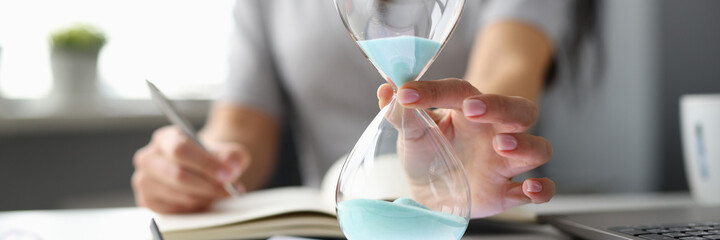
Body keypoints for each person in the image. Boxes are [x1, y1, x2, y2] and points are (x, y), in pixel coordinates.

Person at [132, 0, 573, 218]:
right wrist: (198, 164)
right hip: (326, 223)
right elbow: (241, 124)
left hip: (484, 217)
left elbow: (508, 62)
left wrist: (478, 132)